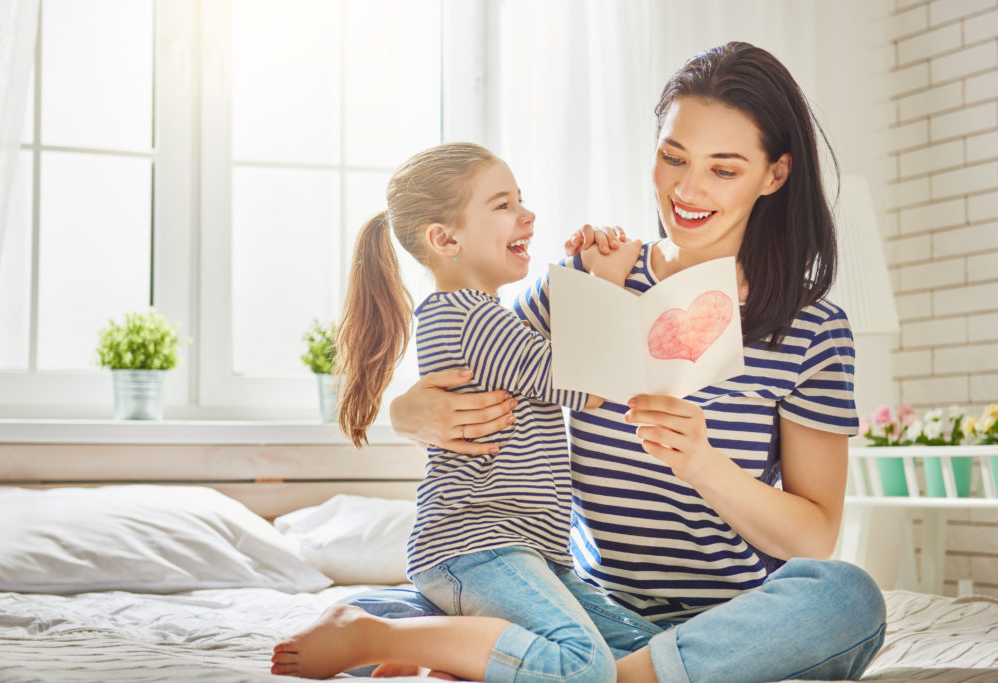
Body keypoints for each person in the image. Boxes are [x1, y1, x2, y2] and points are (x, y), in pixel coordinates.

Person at [351, 42, 888, 683]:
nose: (688, 190)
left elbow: (813, 539)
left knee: (847, 599)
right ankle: (604, 667)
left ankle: (591, 673)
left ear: (774, 174)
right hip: (582, 604)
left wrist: (704, 465)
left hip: (731, 622)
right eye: (673, 157)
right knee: (375, 605)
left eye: (724, 170)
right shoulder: (591, 280)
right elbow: (465, 349)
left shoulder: (814, 330)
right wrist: (404, 414)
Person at [271, 141, 656, 681]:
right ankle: (382, 635)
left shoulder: (485, 318)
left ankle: (410, 629)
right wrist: (610, 280)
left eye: (521, 200)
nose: (528, 215)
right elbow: (588, 383)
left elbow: (553, 342)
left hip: (520, 551)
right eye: (503, 205)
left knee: (649, 651)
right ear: (445, 238)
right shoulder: (473, 319)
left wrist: (586, 269)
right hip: (478, 545)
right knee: (586, 667)